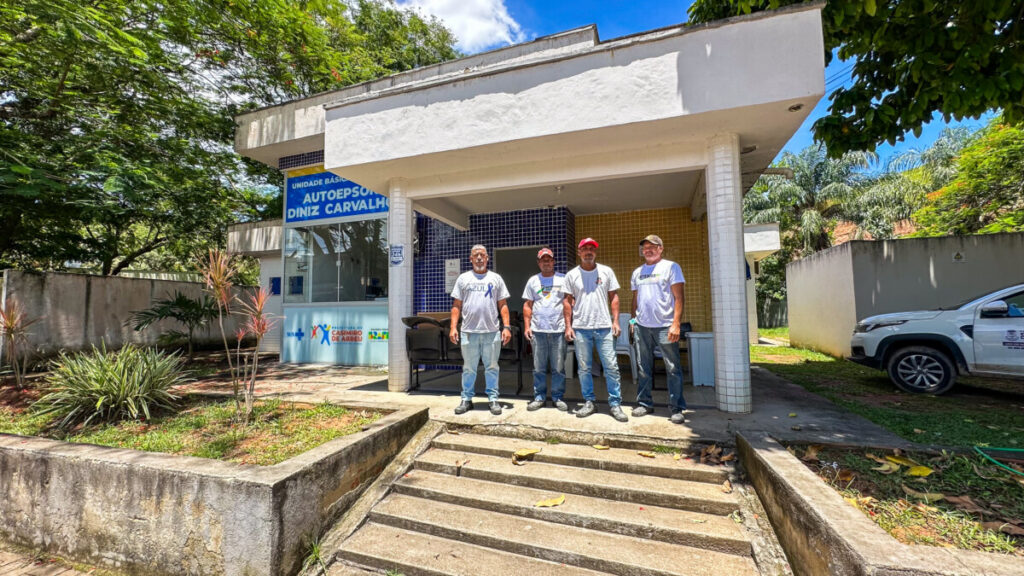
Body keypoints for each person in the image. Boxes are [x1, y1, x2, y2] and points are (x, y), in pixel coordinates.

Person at [562, 238, 628, 422]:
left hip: (604, 327)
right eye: (585, 249)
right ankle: (589, 402)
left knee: (611, 367)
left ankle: (615, 404)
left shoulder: (606, 271)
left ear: (595, 252)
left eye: (592, 248)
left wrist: (616, 321)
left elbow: (614, 297)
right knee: (584, 368)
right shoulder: (571, 275)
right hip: (581, 328)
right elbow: (567, 301)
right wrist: (568, 326)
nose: (588, 251)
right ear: (579, 252)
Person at [630, 234, 687, 424]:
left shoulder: (671, 267)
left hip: (665, 326)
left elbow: (679, 297)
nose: (648, 250)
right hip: (642, 326)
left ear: (660, 249)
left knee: (672, 368)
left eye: (652, 247)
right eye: (645, 247)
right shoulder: (637, 272)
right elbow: (635, 299)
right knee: (643, 367)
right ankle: (644, 403)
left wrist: (676, 323)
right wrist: (633, 321)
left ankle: (676, 407)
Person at [450, 245, 512, 415]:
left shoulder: (496, 278)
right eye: (476, 255)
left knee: (492, 367)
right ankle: (466, 399)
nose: (479, 258)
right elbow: (456, 305)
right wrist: (453, 327)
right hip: (469, 332)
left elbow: (503, 305)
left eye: (482, 255)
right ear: (470, 259)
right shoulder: (463, 279)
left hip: (491, 332)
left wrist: (506, 327)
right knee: (468, 368)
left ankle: (493, 399)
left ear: (487, 258)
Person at [523, 247, 568, 411]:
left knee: (558, 368)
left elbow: (569, 303)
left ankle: (557, 397)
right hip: (538, 331)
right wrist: (527, 326)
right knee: (538, 368)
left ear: (553, 261)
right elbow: (528, 305)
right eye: (543, 260)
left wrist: (569, 326)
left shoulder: (563, 279)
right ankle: (539, 397)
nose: (546, 262)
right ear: (538, 263)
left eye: (549, 259)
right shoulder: (532, 281)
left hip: (558, 331)